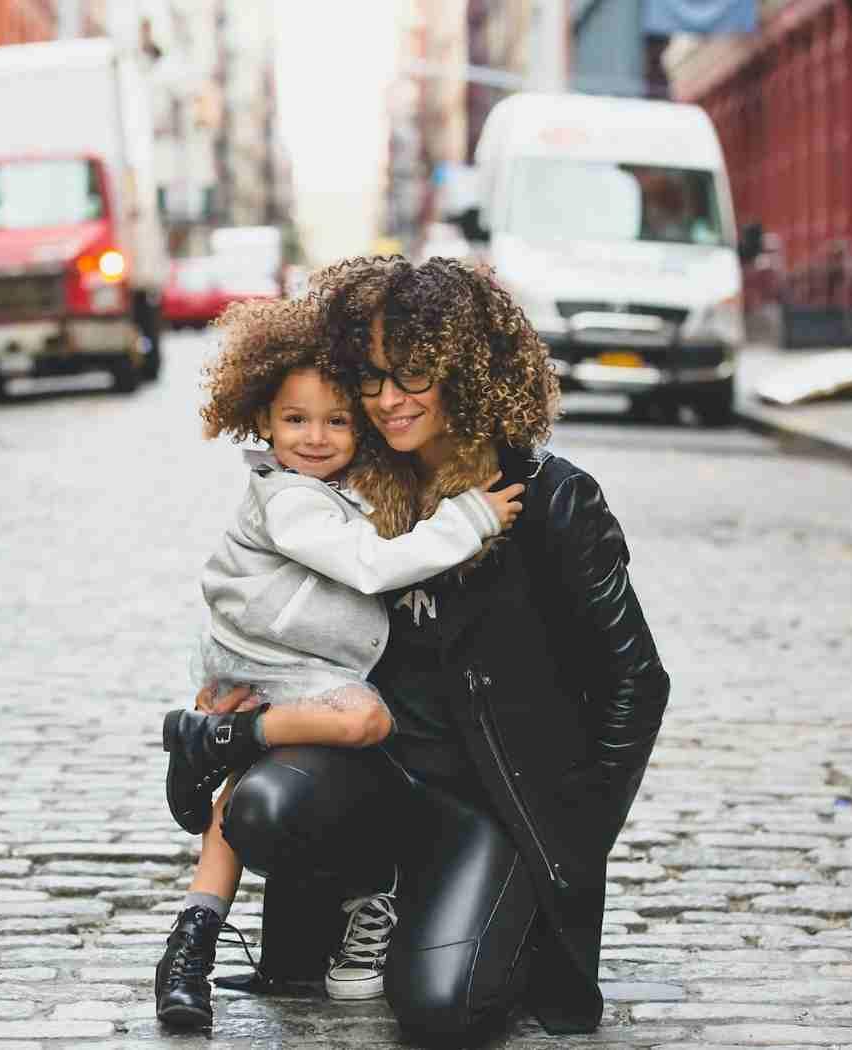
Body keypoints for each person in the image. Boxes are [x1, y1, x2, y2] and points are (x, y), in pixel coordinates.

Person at [215, 256, 671, 1045]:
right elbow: (260, 594)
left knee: (440, 1011)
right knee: (263, 808)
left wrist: (571, 837)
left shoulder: (553, 499)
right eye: (374, 378)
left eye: (415, 375)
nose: (389, 400)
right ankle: (375, 898)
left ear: (467, 370)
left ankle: (488, 909)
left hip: (490, 804)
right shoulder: (354, 486)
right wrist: (232, 685)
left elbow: (638, 679)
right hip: (379, 775)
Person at [154, 295, 525, 1029]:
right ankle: (228, 743)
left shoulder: (340, 487)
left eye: (336, 420)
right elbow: (367, 566)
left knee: (238, 791)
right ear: (262, 420)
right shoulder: (288, 499)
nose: (317, 437)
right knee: (364, 718)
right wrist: (471, 518)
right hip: (284, 663)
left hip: (281, 665)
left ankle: (189, 938)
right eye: (296, 421)